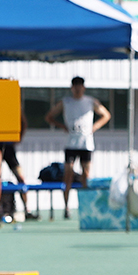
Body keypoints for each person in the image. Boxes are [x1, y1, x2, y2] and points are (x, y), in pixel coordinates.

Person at [45, 77, 111, 219]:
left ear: (83, 87)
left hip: (86, 144)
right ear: (72, 88)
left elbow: (106, 115)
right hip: (71, 144)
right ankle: (66, 207)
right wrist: (62, 126)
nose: (77, 89)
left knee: (85, 175)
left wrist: (94, 127)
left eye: (80, 86)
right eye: (75, 86)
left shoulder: (90, 101)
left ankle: (86, 207)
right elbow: (49, 116)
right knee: (68, 174)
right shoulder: (66, 102)